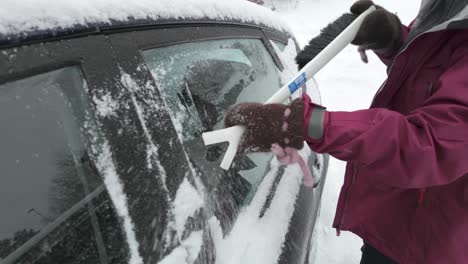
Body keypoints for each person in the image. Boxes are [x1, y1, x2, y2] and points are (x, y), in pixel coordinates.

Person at [223, 0, 468, 263]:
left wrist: (303, 122)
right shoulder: (447, 13)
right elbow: (432, 73)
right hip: (395, 220)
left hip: (429, 245)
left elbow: (429, 144)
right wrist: (394, 40)